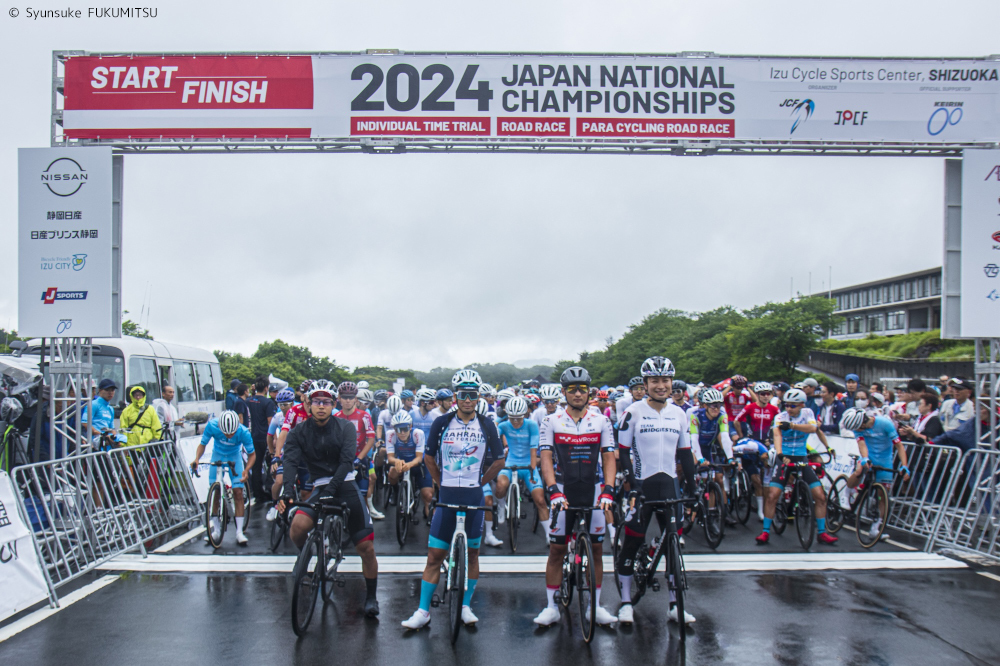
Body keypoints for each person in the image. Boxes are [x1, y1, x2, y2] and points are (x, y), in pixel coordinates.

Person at [401, 369, 504, 631]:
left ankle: (466, 606)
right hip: (447, 494)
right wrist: (439, 482)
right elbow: (429, 457)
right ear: (455, 396)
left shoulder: (487, 424)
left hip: (473, 494)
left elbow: (499, 459)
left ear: (478, 397)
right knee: (435, 555)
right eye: (462, 395)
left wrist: (480, 482)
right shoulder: (442, 423)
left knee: (473, 554)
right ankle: (423, 611)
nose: (467, 400)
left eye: (472, 395)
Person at [276, 382, 380, 618]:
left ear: (333, 405)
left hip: (346, 484)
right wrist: (288, 492)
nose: (321, 406)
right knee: (297, 528)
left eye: (326, 402)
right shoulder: (298, 431)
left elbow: (346, 462)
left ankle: (371, 596)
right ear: (309, 404)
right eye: (316, 401)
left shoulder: (344, 427)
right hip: (320, 486)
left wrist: (334, 488)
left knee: (366, 547)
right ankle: (309, 555)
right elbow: (290, 462)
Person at [532, 366, 617, 628]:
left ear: (589, 392)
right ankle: (551, 606)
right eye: (572, 389)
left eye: (583, 389)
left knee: (597, 549)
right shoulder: (551, 420)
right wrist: (552, 490)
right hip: (563, 489)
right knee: (557, 550)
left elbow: (608, 456)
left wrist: (609, 489)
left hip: (592, 487)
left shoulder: (600, 419)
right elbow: (545, 457)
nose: (578, 393)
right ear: (564, 393)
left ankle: (596, 606)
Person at [615, 357, 697, 625]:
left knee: (673, 547)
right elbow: (623, 454)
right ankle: (626, 602)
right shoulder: (633, 412)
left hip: (670, 486)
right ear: (646, 384)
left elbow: (685, 455)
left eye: (665, 380)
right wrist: (632, 485)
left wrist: (693, 489)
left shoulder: (679, 413)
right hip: (642, 487)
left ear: (672, 382)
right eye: (655, 381)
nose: (661, 386)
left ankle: (675, 605)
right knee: (631, 542)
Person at [756, 388, 837, 546]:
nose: (789, 408)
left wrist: (827, 447)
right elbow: (777, 435)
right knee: (772, 495)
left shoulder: (807, 413)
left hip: (801, 456)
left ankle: (821, 533)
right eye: (786, 405)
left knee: (820, 496)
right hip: (784, 456)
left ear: (801, 405)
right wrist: (779, 454)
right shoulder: (780, 416)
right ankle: (765, 532)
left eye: (793, 406)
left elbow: (814, 429)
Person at [839, 408, 911, 538]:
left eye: (858, 428)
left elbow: (899, 446)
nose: (858, 431)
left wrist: (904, 466)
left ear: (863, 422)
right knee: (860, 469)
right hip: (869, 455)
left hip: (885, 459)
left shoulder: (885, 424)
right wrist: (865, 458)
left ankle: (876, 527)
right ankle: (847, 492)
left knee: (882, 495)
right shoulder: (857, 427)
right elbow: (862, 445)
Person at [190, 410, 255, 545]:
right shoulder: (212, 426)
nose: (229, 436)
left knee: (237, 492)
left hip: (234, 457)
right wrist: (196, 459)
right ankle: (216, 530)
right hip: (217, 455)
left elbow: (252, 455)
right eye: (226, 433)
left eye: (232, 433)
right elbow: (202, 445)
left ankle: (239, 532)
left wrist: (246, 470)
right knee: (215, 493)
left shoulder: (243, 432)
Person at [493, 396, 549, 536]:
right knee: (500, 486)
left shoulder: (531, 425)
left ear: (525, 414)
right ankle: (501, 506)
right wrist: (499, 420)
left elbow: (533, 448)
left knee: (540, 500)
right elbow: (493, 437)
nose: (516, 421)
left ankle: (549, 535)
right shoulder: (504, 425)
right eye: (512, 418)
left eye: (519, 418)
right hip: (510, 463)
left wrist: (532, 469)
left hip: (528, 464)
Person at [689, 388, 736, 526]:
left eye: (719, 405)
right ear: (704, 406)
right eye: (713, 405)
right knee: (697, 474)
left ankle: (712, 512)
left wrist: (730, 458)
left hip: (710, 447)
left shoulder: (722, 415)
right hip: (695, 446)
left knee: (716, 479)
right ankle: (689, 500)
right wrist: (699, 458)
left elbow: (726, 438)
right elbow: (694, 439)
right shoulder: (695, 415)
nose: (717, 408)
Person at [334, 381, 381, 520]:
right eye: (344, 397)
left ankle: (365, 517)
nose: (347, 400)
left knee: (362, 494)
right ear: (339, 398)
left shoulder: (364, 416)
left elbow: (371, 439)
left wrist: (359, 458)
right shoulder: (336, 417)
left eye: (350, 397)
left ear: (355, 398)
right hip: (341, 460)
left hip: (359, 459)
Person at [385, 410, 434, 519]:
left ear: (410, 426)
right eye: (399, 429)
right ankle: (396, 491)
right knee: (392, 472)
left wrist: (410, 465)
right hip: (402, 464)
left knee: (428, 496)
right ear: (394, 429)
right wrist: (396, 461)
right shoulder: (390, 435)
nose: (402, 432)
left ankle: (429, 518)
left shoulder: (417, 434)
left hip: (418, 465)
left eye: (405, 428)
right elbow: (390, 458)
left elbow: (419, 458)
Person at [247, 376, 278, 504]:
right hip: (265, 436)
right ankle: (271, 491)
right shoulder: (268, 402)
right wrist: (275, 438)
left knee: (256, 465)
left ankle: (258, 493)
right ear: (266, 388)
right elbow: (271, 422)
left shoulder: (249, 400)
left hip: (253, 436)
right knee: (272, 463)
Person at [82, 378, 118, 444]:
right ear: (100, 390)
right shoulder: (93, 404)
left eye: (112, 390)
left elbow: (112, 428)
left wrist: (114, 437)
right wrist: (101, 435)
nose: (110, 392)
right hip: (93, 445)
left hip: (105, 445)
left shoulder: (110, 408)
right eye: (107, 390)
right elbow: (85, 423)